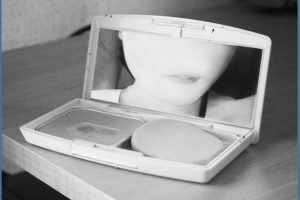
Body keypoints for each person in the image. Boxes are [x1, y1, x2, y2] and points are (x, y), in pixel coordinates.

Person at [92, 30, 254, 126]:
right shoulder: (92, 110)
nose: (186, 57)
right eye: (159, 30)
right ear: (121, 31)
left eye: (211, 32)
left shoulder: (245, 118)